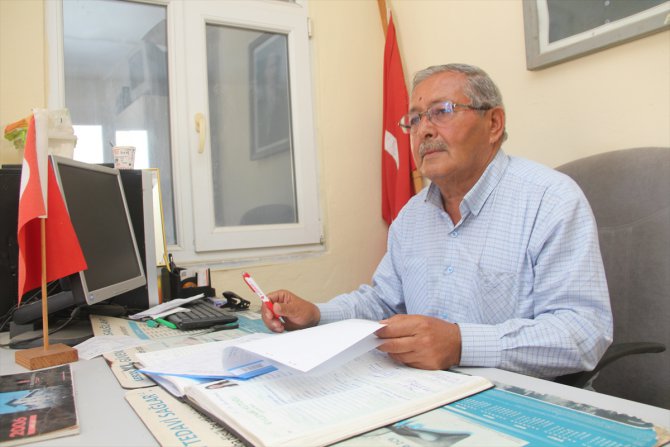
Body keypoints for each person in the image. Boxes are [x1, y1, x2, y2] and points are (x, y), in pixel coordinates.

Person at [260, 63, 613, 379]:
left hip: (522, 398)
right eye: (414, 120)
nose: (423, 131)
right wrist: (316, 314)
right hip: (425, 389)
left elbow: (584, 331)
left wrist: (461, 344)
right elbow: (384, 302)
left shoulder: (550, 200)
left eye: (442, 111)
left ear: (493, 123)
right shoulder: (412, 215)